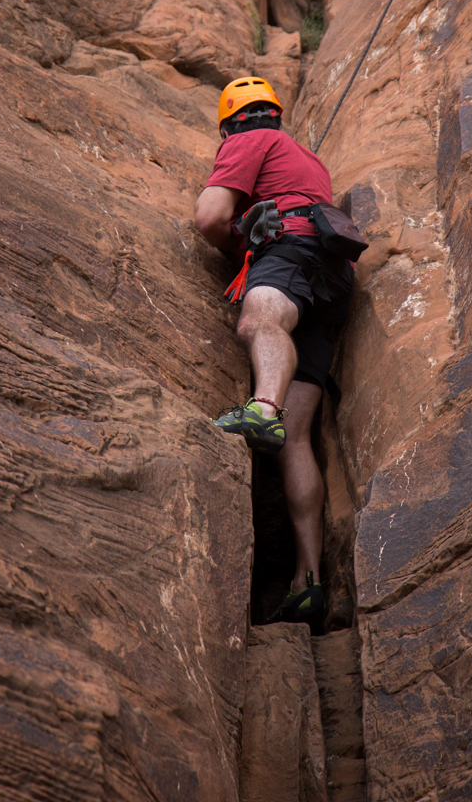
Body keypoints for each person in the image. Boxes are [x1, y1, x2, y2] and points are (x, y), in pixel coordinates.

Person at [194, 76, 354, 631]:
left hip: (290, 251)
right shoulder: (306, 159)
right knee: (300, 436)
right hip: (333, 274)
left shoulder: (246, 140)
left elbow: (210, 217)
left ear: (230, 122)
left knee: (260, 320)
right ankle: (308, 582)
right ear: (274, 114)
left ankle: (262, 407)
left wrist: (240, 240)